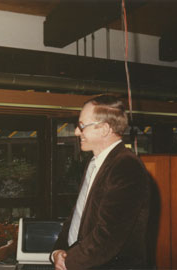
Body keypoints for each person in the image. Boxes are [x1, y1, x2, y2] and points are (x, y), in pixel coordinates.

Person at [51, 95, 151, 269]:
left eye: (82, 126)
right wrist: (58, 251)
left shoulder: (126, 166)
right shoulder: (96, 163)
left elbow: (109, 235)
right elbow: (78, 215)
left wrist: (69, 262)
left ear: (104, 129)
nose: (76, 132)